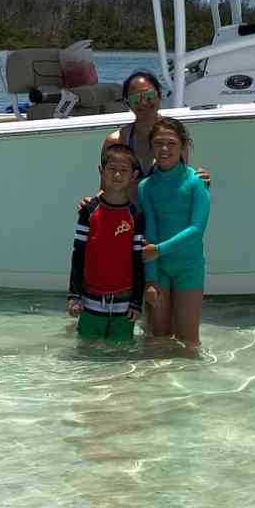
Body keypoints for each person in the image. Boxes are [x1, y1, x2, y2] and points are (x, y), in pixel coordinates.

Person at [67, 143, 151, 342]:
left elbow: (138, 260)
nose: (117, 175)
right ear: (101, 171)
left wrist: (136, 302)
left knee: (121, 356)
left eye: (124, 171)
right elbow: (78, 254)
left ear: (134, 175)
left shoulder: (136, 216)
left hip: (125, 304)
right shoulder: (88, 211)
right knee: (87, 353)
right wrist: (74, 295)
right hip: (90, 302)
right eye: (112, 169)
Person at [137, 117, 209, 347]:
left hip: (189, 268)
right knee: (159, 338)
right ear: (151, 147)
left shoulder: (196, 182)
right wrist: (150, 279)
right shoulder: (145, 186)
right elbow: (151, 231)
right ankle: (158, 383)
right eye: (158, 143)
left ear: (183, 146)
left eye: (171, 143)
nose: (165, 149)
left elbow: (196, 230)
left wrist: (159, 250)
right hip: (159, 270)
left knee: (188, 340)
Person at [102, 70, 211, 196]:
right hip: (128, 214)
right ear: (127, 103)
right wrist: (90, 203)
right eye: (135, 98)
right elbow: (105, 190)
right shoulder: (116, 140)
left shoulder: (175, 135)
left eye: (149, 96)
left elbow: (182, 181)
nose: (143, 102)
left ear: (159, 96)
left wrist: (200, 180)